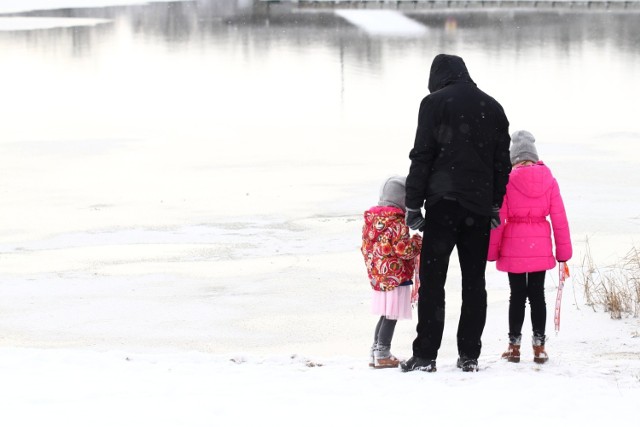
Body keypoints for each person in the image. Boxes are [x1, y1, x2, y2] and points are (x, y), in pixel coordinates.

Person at [400, 54, 512, 373]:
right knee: (474, 282)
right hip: (477, 209)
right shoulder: (492, 107)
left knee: (433, 282)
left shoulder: (433, 104)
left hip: (443, 204)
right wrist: (493, 204)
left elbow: (422, 155)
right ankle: (469, 356)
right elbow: (501, 166)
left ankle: (425, 356)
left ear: (438, 78)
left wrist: (412, 204)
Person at [488, 130, 572, 364]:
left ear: (513, 156)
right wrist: (563, 252)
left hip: (513, 246)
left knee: (516, 296)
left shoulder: (507, 180)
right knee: (537, 296)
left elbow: (499, 220)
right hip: (540, 246)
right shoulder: (549, 180)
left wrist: (491, 251)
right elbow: (559, 218)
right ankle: (539, 347)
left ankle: (514, 347)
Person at [361, 175, 422, 369]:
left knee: (386, 313)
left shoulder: (373, 221)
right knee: (391, 314)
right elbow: (404, 250)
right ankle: (382, 353)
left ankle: (375, 350)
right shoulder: (396, 222)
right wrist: (418, 242)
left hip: (379, 275)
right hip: (395, 275)